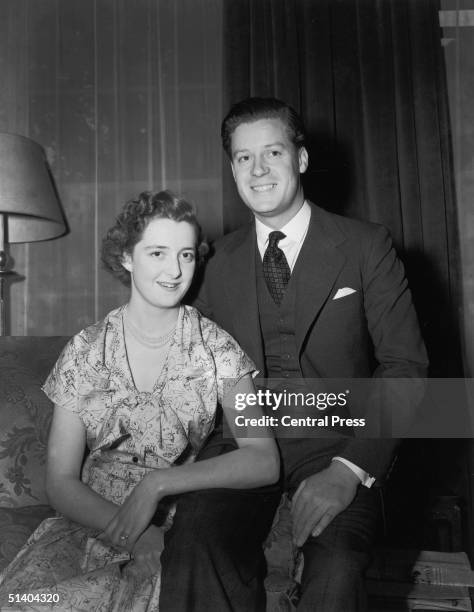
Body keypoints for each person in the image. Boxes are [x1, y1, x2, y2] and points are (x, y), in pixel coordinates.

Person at [159, 98, 429, 611]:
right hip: (243, 441)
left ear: (300, 160)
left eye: (273, 152)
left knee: (340, 562)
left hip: (339, 440)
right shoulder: (214, 262)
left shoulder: (366, 246)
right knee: (194, 544)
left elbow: (406, 368)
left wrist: (350, 469)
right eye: (242, 158)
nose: (258, 170)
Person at [0, 190, 279, 611]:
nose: (175, 270)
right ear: (127, 258)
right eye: (158, 253)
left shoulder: (217, 350)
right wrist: (134, 532)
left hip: (177, 534)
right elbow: (60, 481)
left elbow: (263, 459)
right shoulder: (85, 351)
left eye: (186, 255)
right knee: (25, 601)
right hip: (90, 524)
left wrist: (158, 485)